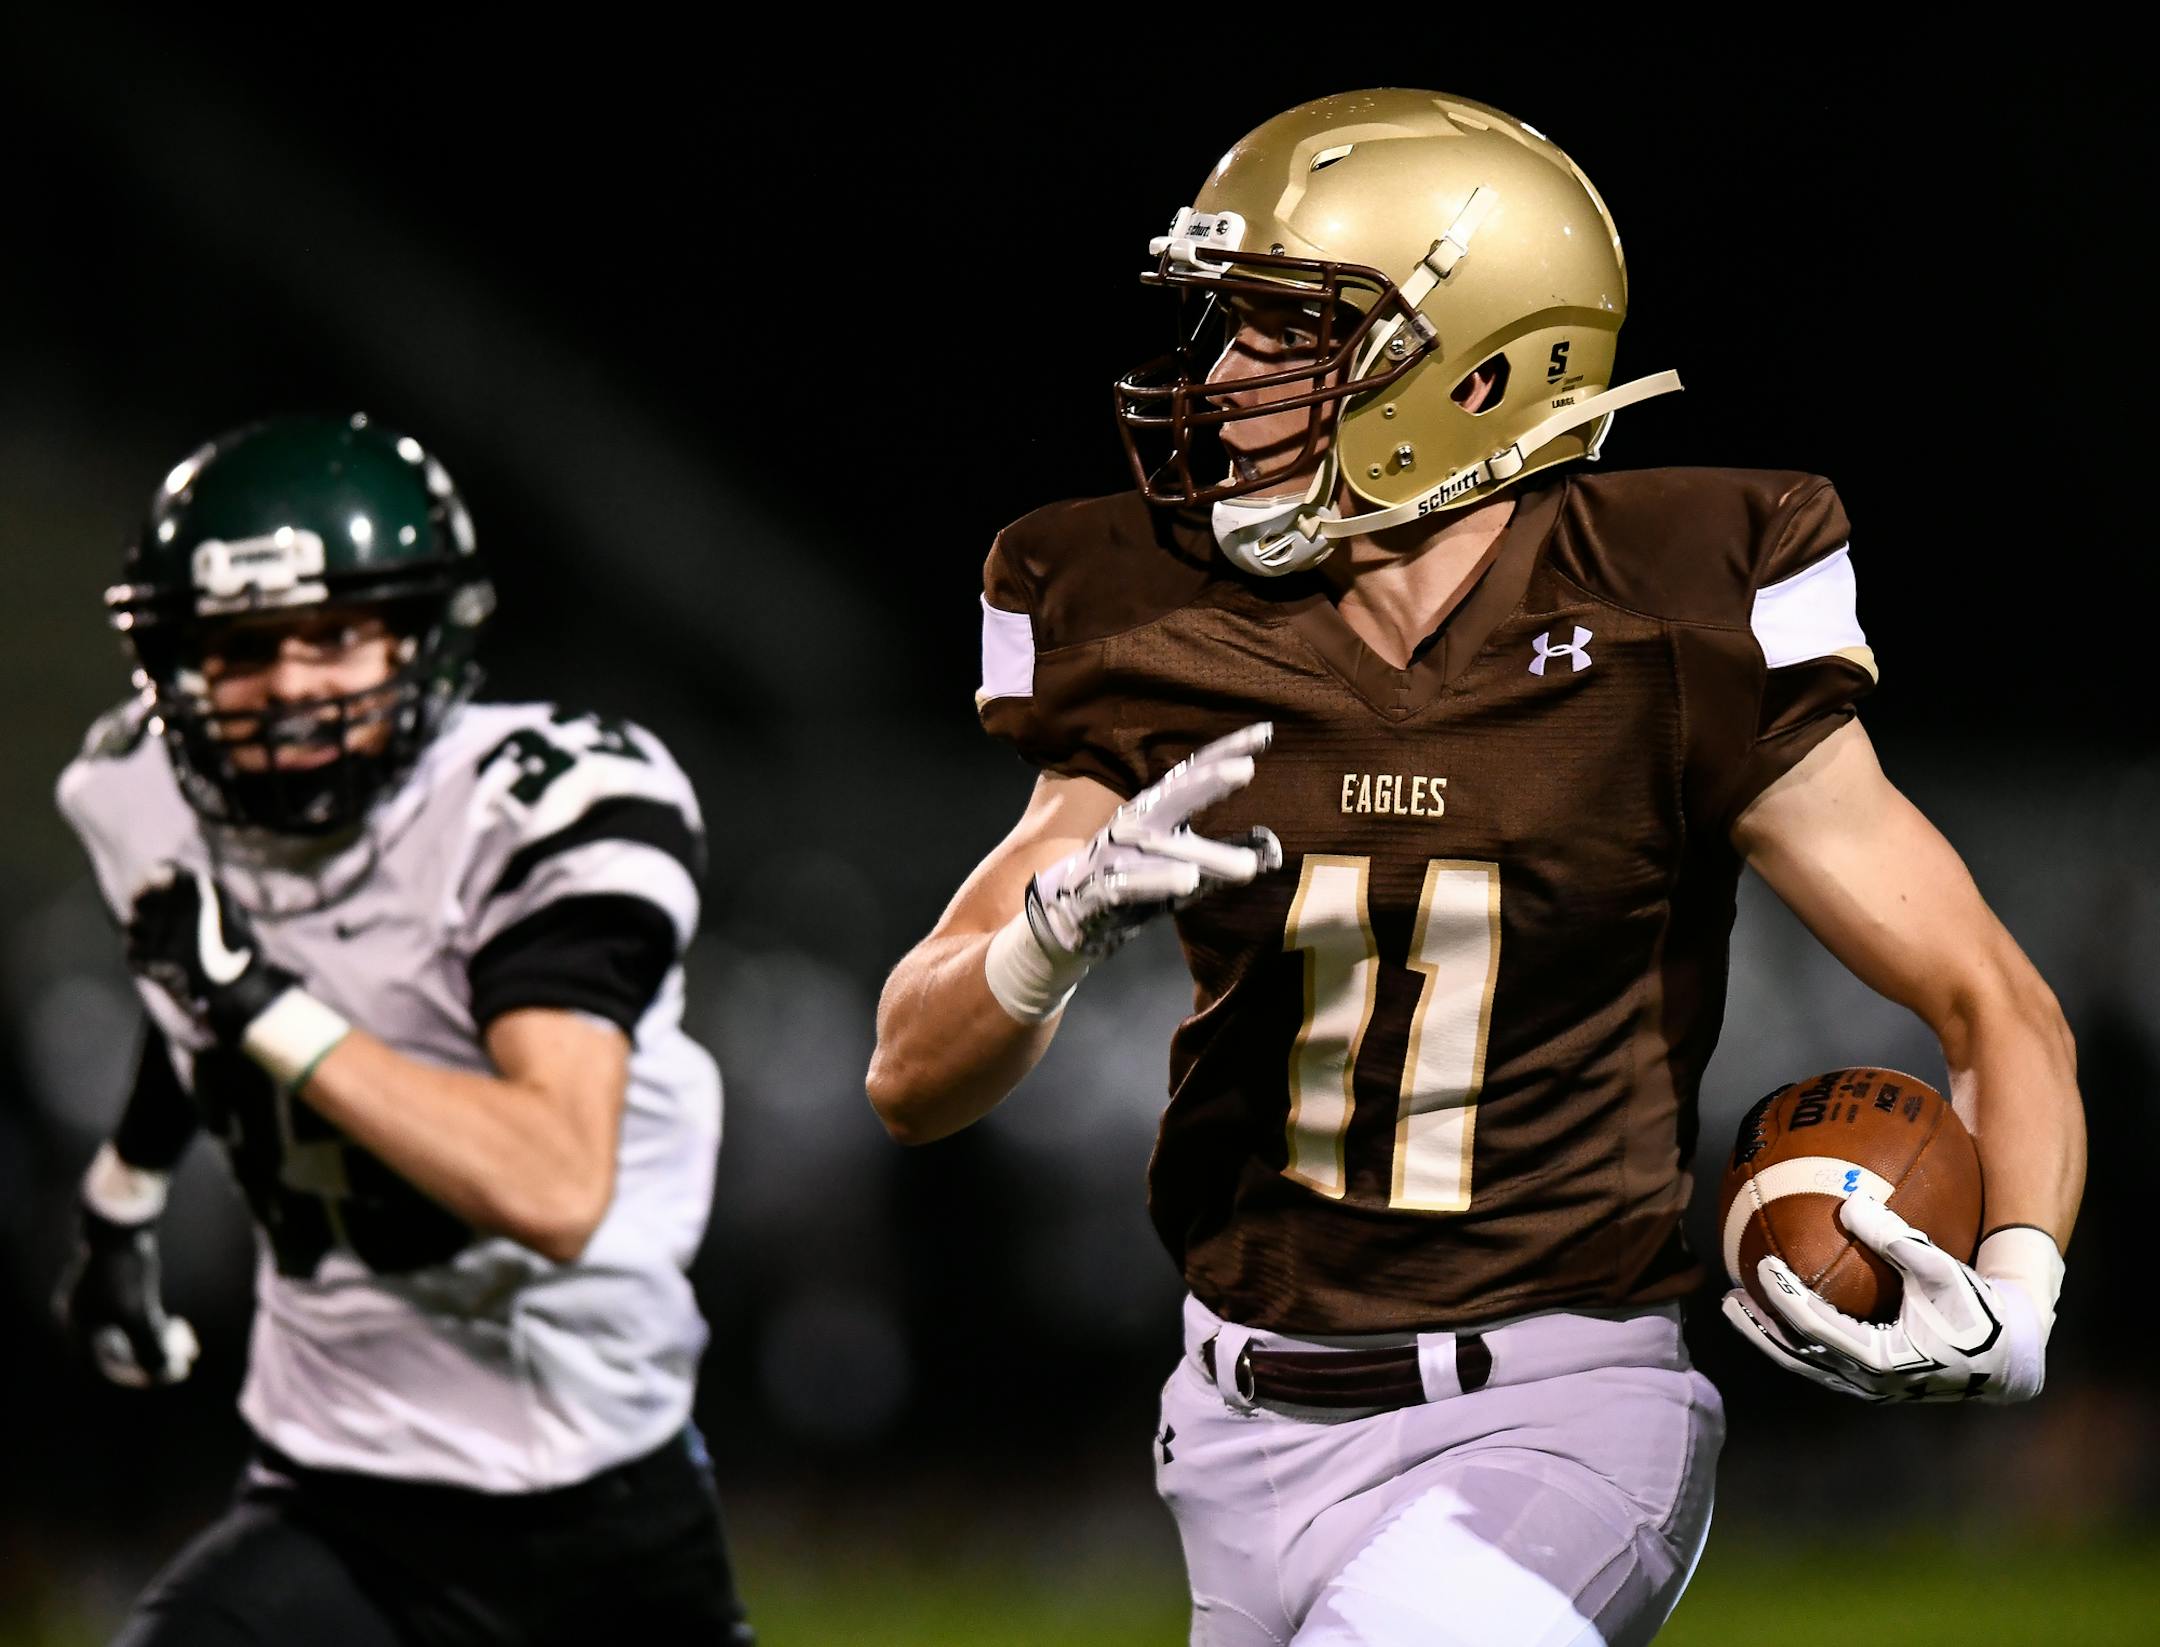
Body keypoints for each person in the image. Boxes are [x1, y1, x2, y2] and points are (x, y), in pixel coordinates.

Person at [866, 90, 2084, 1646]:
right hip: (1236, 1421)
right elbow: (910, 1073)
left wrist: (2024, 1288)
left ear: (1480, 371)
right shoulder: (1147, 614)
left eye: (1285, 333)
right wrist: (1047, 932)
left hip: (1560, 1407)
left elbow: (1993, 1000)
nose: (1222, 376)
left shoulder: (1670, 615)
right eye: (1227, 326)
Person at [53, 415, 753, 1645]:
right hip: (331, 1484)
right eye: (243, 646)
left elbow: (551, 1179)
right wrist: (123, 1198)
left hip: (593, 1480)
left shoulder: (539, 810)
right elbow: (191, 1014)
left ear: (422, 637)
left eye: (336, 636)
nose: (290, 685)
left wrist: (262, 1005)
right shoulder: (135, 796)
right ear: (172, 665)